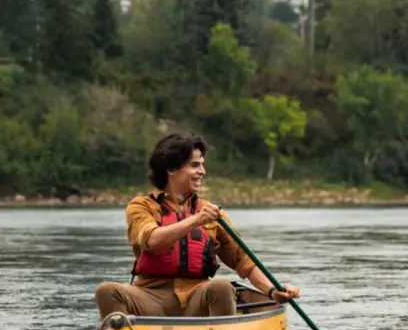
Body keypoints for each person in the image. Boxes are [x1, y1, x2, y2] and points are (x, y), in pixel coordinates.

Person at [95, 132, 300, 319]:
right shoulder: (141, 206)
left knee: (221, 287)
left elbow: (243, 260)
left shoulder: (211, 213)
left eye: (202, 164)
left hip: (196, 298)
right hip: (149, 298)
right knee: (106, 291)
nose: (202, 171)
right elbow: (152, 240)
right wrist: (196, 220)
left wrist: (273, 291)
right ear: (172, 169)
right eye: (194, 165)